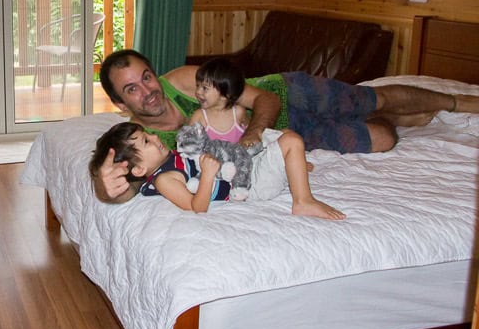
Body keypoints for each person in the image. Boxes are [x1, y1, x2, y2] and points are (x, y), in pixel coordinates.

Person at [94, 49, 479, 202]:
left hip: (290, 94)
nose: (147, 90)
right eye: (132, 88)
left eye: (146, 76)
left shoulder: (184, 81)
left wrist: (252, 135)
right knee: (382, 137)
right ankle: (400, 117)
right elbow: (128, 188)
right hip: (292, 137)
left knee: (372, 98)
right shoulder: (146, 141)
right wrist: (104, 186)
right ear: (119, 102)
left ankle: (458, 101)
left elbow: (266, 101)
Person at [88, 121, 346, 220]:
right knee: (293, 141)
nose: (155, 137)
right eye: (146, 142)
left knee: (286, 134)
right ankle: (303, 201)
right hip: (252, 186)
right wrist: (208, 174)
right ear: (140, 168)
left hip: (242, 168)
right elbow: (196, 206)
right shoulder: (165, 179)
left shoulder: (171, 159)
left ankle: (294, 166)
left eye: (148, 134)